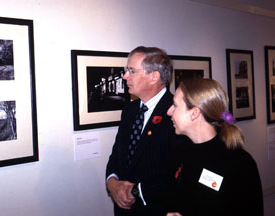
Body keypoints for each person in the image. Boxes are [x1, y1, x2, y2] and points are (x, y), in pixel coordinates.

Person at [166, 78, 263, 216]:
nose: (169, 111)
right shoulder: (181, 151)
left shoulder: (239, 163)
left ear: (194, 113)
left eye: (175, 105)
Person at [105, 46, 176, 216]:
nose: (125, 76)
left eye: (132, 71)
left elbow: (177, 172)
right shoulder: (129, 110)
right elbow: (117, 155)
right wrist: (112, 183)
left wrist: (135, 192)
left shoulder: (176, 112)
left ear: (154, 77)